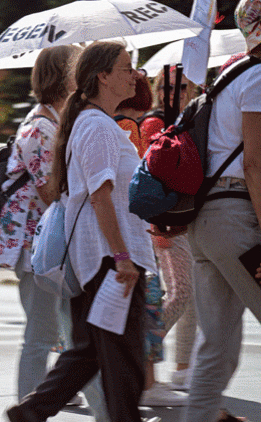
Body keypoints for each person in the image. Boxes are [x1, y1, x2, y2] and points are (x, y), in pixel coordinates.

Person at [5, 41, 157, 422]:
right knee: (125, 359)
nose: (135, 75)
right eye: (127, 67)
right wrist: (122, 258)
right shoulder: (96, 126)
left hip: (100, 259)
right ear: (103, 76)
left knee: (90, 351)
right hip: (108, 260)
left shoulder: (92, 122)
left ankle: (32, 412)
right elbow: (100, 198)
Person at [0, 45, 109, 421]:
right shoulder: (40, 126)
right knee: (42, 338)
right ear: (62, 74)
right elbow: (48, 190)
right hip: (37, 248)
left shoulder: (54, 120)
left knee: (76, 341)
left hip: (50, 246)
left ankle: (108, 412)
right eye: (76, 66)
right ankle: (29, 411)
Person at [175, 1, 261, 420]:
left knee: (217, 347)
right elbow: (255, 163)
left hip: (205, 223)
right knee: (217, 347)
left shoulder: (228, 74)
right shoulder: (260, 78)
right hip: (237, 219)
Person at [139, 65, 200, 396]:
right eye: (166, 87)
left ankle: (183, 369)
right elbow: (149, 179)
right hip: (165, 222)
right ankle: (142, 351)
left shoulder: (190, 119)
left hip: (189, 220)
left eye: (180, 87)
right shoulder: (155, 123)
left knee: (193, 300)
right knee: (184, 293)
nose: (172, 93)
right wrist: (158, 221)